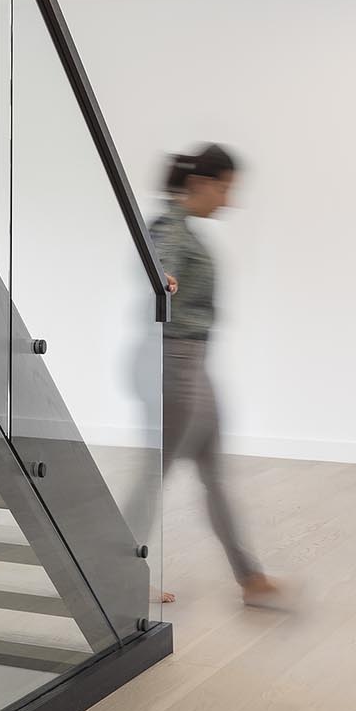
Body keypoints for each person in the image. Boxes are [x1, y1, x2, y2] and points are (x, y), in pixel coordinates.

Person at [151, 144, 284, 608]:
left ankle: (250, 578)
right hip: (178, 366)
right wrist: (164, 276)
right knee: (155, 477)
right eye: (226, 188)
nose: (229, 200)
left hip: (195, 366)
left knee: (214, 475)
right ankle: (116, 577)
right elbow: (160, 257)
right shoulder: (171, 227)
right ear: (203, 184)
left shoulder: (186, 229)